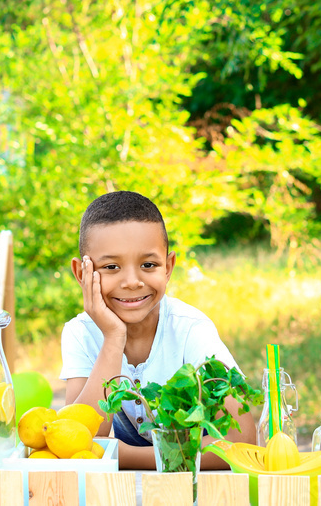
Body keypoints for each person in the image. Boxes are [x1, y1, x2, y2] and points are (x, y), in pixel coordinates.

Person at [60, 190, 255, 469]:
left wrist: (123, 456)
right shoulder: (80, 332)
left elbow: (241, 441)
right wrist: (113, 338)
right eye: (111, 266)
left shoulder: (191, 330)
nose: (131, 281)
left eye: (148, 265)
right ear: (82, 274)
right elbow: (76, 438)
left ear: (168, 267)